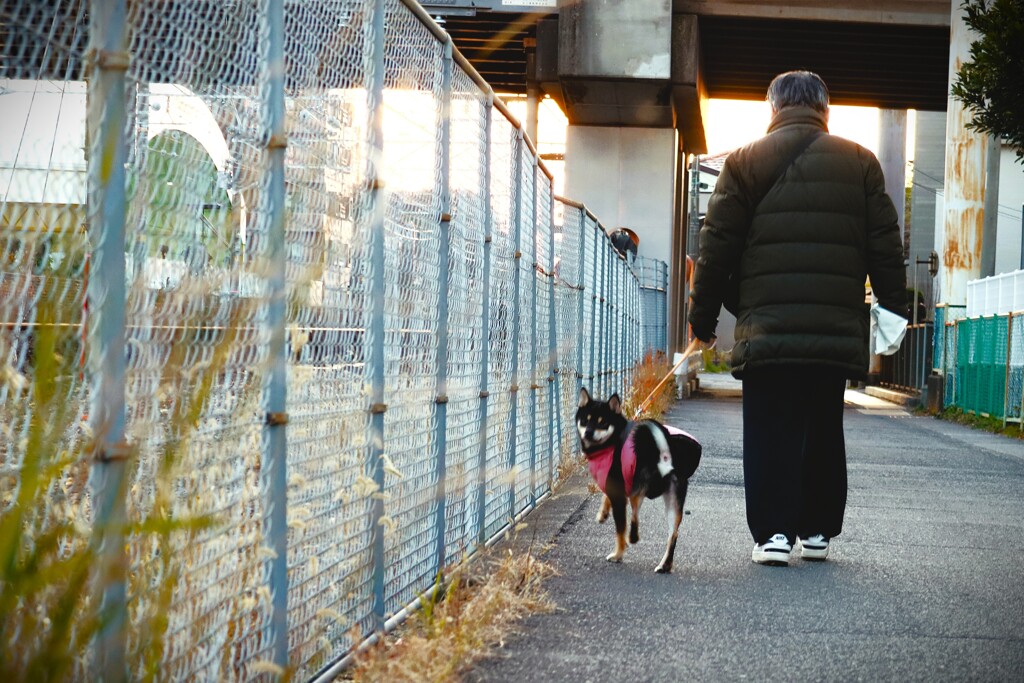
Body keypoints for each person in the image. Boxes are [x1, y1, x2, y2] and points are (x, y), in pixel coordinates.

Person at [687, 70, 907, 566]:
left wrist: (704, 317)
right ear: (825, 109)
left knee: (769, 429)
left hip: (766, 328)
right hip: (832, 328)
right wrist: (894, 307)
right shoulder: (861, 163)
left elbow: (716, 245)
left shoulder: (743, 162)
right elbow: (886, 246)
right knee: (823, 427)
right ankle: (816, 531)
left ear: (773, 108)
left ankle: (773, 536)